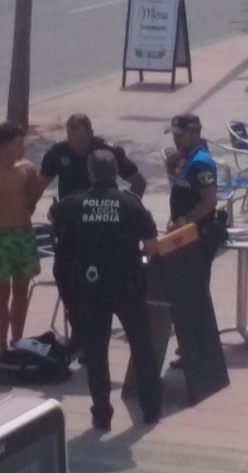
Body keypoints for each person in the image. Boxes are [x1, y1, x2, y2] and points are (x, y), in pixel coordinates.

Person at [49, 150, 162, 431]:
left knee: (97, 354)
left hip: (91, 287)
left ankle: (102, 415)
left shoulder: (74, 204)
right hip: (128, 285)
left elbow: (54, 217)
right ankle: (150, 409)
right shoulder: (131, 204)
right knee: (142, 348)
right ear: (114, 172)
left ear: (91, 173)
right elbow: (151, 247)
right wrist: (142, 262)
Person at [37, 113, 146, 354]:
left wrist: (130, 209)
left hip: (104, 227)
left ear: (91, 133)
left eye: (81, 140)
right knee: (64, 275)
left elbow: (138, 180)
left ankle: (98, 336)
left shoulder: (107, 153)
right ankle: (79, 332)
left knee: (105, 282)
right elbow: (38, 187)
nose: (76, 145)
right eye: (71, 138)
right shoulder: (58, 153)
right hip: (71, 227)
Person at [0, 121, 41, 362]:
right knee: (1, 294)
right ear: (4, 146)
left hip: (23, 234)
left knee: (21, 291)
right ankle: (2, 345)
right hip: (0, 237)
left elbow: (31, 200)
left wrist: (20, 219)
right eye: (18, 144)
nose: (22, 148)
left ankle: (18, 339)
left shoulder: (27, 169)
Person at [164, 114, 225, 369]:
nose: (177, 140)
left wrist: (184, 221)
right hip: (185, 233)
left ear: (195, 133)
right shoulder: (186, 158)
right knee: (186, 293)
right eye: (174, 135)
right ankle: (190, 350)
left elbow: (209, 201)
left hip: (199, 235)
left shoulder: (200, 163)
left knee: (195, 294)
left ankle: (198, 353)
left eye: (181, 135)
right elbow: (181, 189)